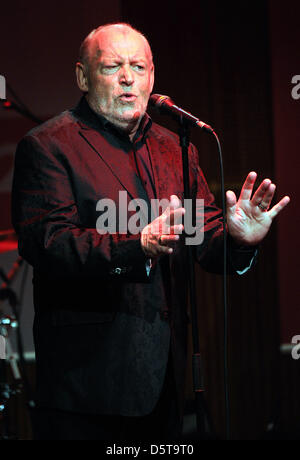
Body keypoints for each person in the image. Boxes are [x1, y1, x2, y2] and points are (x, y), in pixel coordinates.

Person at [11, 23, 290, 441]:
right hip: (86, 385)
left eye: (138, 66)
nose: (128, 77)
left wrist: (237, 240)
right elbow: (48, 242)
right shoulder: (49, 145)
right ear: (83, 78)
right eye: (112, 67)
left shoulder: (175, 146)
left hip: (164, 379)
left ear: (152, 77)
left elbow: (203, 237)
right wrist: (136, 246)